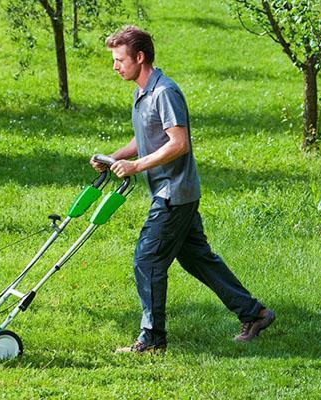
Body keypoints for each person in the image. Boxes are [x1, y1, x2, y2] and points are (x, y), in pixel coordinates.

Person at [91, 26, 275, 353]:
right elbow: (149, 137)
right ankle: (254, 313)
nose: (115, 66)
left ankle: (152, 339)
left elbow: (179, 144)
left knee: (147, 260)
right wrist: (115, 157)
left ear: (140, 57)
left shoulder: (164, 92)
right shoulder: (142, 91)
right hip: (176, 193)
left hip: (173, 195)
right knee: (197, 259)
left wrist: (135, 167)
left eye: (120, 60)